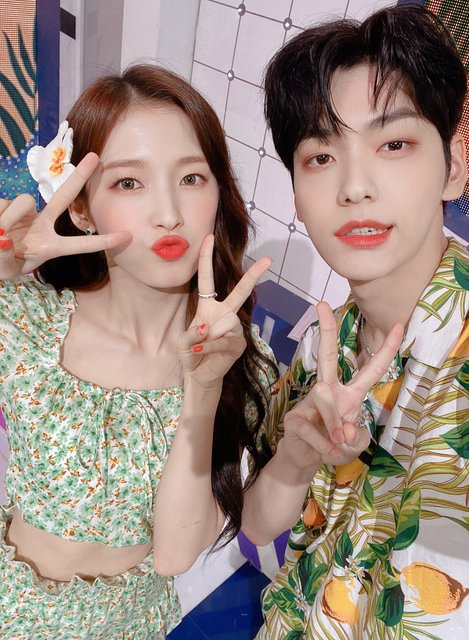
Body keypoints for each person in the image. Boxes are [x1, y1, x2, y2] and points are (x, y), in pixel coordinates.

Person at [0, 64, 276, 639]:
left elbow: (175, 555)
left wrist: (203, 390)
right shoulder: (28, 320)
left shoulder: (240, 362)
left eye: (192, 178)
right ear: (81, 208)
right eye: (129, 183)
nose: (168, 213)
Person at [241, 5, 469, 638]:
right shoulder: (325, 346)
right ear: (297, 195)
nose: (354, 187)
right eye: (321, 157)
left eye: (394, 144)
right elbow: (258, 524)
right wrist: (295, 458)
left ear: (454, 167)